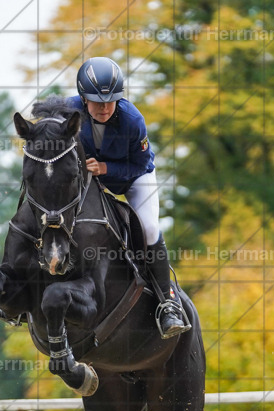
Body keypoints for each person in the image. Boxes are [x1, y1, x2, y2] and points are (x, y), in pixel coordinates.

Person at [68, 57, 190, 339]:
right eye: (97, 101)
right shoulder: (68, 112)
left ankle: (167, 304)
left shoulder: (133, 120)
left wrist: (106, 168)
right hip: (89, 180)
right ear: (82, 98)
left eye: (110, 101)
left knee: (148, 227)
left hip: (134, 178)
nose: (104, 107)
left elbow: (140, 164)